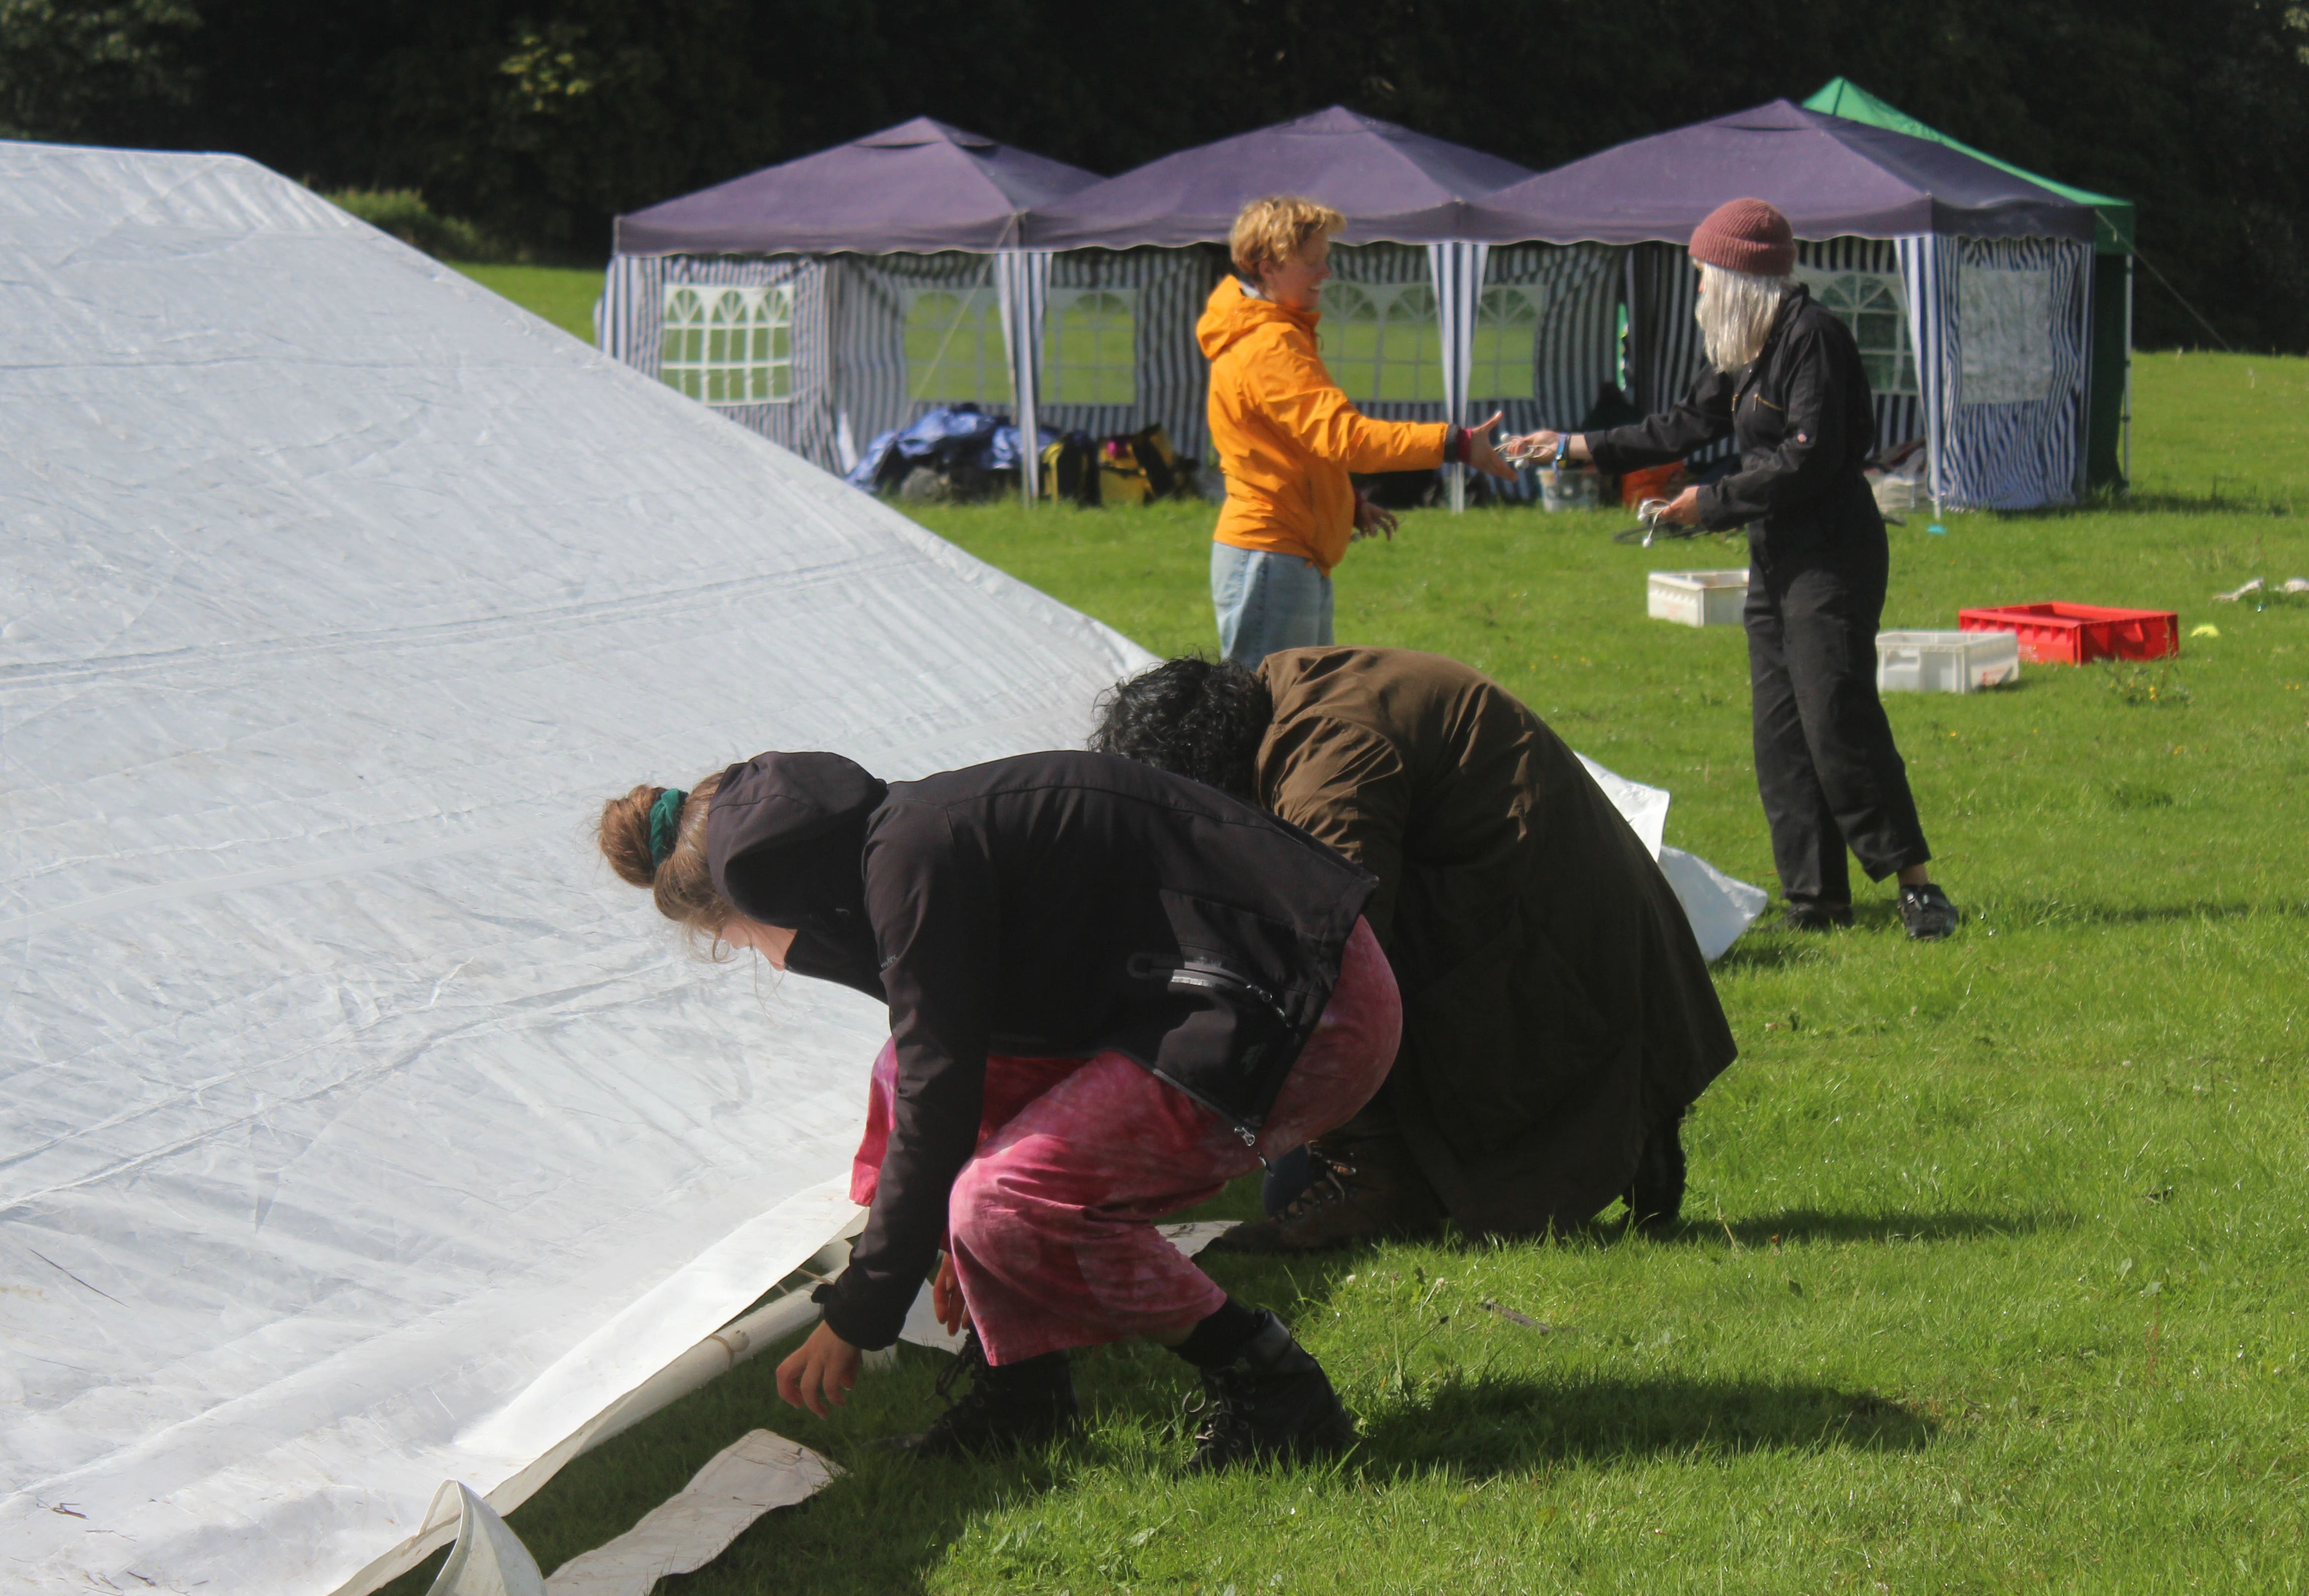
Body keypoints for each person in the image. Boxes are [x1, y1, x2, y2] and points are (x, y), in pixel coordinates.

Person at [595, 749, 1401, 1465]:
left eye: (741, 943)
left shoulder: (913, 868)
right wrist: (955, 1252)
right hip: (1245, 987)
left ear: (771, 896)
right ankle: (1024, 1395)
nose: (770, 964)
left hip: (1306, 1011)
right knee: (908, 1103)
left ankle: (1274, 1387)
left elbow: (939, 1095)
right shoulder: (902, 838)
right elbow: (932, 1076)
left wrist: (860, 1311)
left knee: (1001, 1204)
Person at [1092, 648, 1737, 1250]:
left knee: (1300, 1052)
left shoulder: (1327, 764)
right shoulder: (1286, 696)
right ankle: (1621, 1131)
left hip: (1558, 940)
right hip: (1554, 910)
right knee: (1284, 1176)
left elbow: (1331, 962)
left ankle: (1378, 1183)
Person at [1505, 198, 1960, 943]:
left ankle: (1918, 886)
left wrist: (1709, 503)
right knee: (1781, 736)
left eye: (1704, 278)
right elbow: (1682, 425)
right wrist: (1571, 447)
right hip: (1774, 556)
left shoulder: (1814, 340)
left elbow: (1808, 459)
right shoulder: (1748, 350)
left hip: (1831, 557)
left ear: (1739, 278)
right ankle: (1816, 900)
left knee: (1836, 717)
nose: (1699, 295)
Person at [1203, 196, 1514, 668]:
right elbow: (1346, 438)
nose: (1325, 273)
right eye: (1312, 262)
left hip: (1286, 553)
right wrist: (1456, 443)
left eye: (1325, 259)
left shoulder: (1275, 333)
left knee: (1300, 706)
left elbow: (1298, 447)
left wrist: (1345, 502)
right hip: (1270, 556)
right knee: (1269, 716)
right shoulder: (1270, 345)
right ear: (1267, 268)